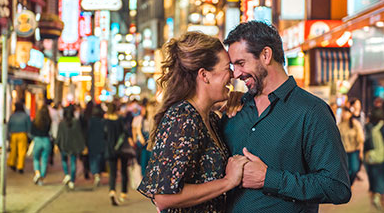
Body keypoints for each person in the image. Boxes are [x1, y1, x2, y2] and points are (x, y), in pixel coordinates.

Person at [221, 21, 351, 212]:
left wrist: (269, 179)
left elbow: (337, 187)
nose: (236, 74)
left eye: (241, 63)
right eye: (233, 66)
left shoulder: (312, 111)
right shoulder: (234, 108)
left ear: (266, 55)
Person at [138, 32, 249, 212]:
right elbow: (164, 197)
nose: (233, 74)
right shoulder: (183, 118)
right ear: (204, 75)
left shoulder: (209, 118)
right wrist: (228, 182)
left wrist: (241, 101)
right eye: (226, 67)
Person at [104, 103, 133, 205]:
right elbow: (125, 132)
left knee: (113, 173)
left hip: (110, 149)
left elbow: (104, 136)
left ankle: (112, 191)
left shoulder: (106, 122)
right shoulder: (120, 120)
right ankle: (123, 193)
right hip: (121, 149)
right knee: (124, 171)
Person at [364, 107, 384, 209]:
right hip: (383, 156)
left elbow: (366, 141)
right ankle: (378, 194)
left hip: (371, 155)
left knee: (373, 175)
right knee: (381, 175)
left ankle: (374, 192)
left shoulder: (368, 126)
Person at [56, 105, 85, 190]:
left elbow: (59, 135)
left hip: (64, 145)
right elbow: (79, 134)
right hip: (73, 146)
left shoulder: (62, 123)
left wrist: (57, 144)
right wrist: (82, 146)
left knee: (64, 160)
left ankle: (66, 174)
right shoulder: (76, 122)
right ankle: (72, 180)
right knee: (73, 162)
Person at [338, 107, 364, 185]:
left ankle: (350, 183)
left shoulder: (355, 124)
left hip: (354, 151)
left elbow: (360, 138)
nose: (344, 114)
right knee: (346, 171)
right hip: (343, 152)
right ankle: (347, 185)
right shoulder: (340, 125)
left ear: (350, 113)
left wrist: (361, 151)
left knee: (354, 169)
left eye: (346, 112)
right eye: (343, 113)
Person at [7, 102, 32, 174]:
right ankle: (20, 166)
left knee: (13, 150)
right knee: (22, 151)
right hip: (22, 134)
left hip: (13, 135)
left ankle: (12, 163)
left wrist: (8, 136)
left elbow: (9, 126)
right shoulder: (25, 116)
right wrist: (30, 136)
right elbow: (29, 126)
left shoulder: (12, 116)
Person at [31, 104, 52, 185]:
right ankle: (42, 179)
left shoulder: (35, 120)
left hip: (37, 140)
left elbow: (32, 132)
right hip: (46, 140)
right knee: (44, 160)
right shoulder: (48, 120)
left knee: (36, 158)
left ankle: (37, 173)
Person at [80, 101, 93, 180]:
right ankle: (91, 170)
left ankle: (86, 170)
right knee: (91, 155)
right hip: (92, 138)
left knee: (85, 155)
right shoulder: (93, 116)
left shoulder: (83, 115)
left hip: (84, 138)